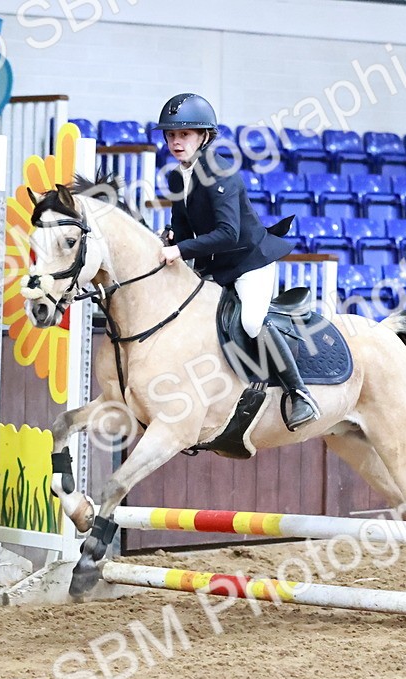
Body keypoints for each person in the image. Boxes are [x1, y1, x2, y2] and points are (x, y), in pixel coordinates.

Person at [153, 92, 320, 431]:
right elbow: (185, 228)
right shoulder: (176, 177)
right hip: (216, 268)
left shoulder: (221, 173)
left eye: (184, 134)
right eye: (171, 135)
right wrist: (173, 238)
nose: (176, 141)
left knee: (252, 323)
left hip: (249, 262)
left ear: (204, 136)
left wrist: (181, 251)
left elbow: (228, 233)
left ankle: (299, 393)